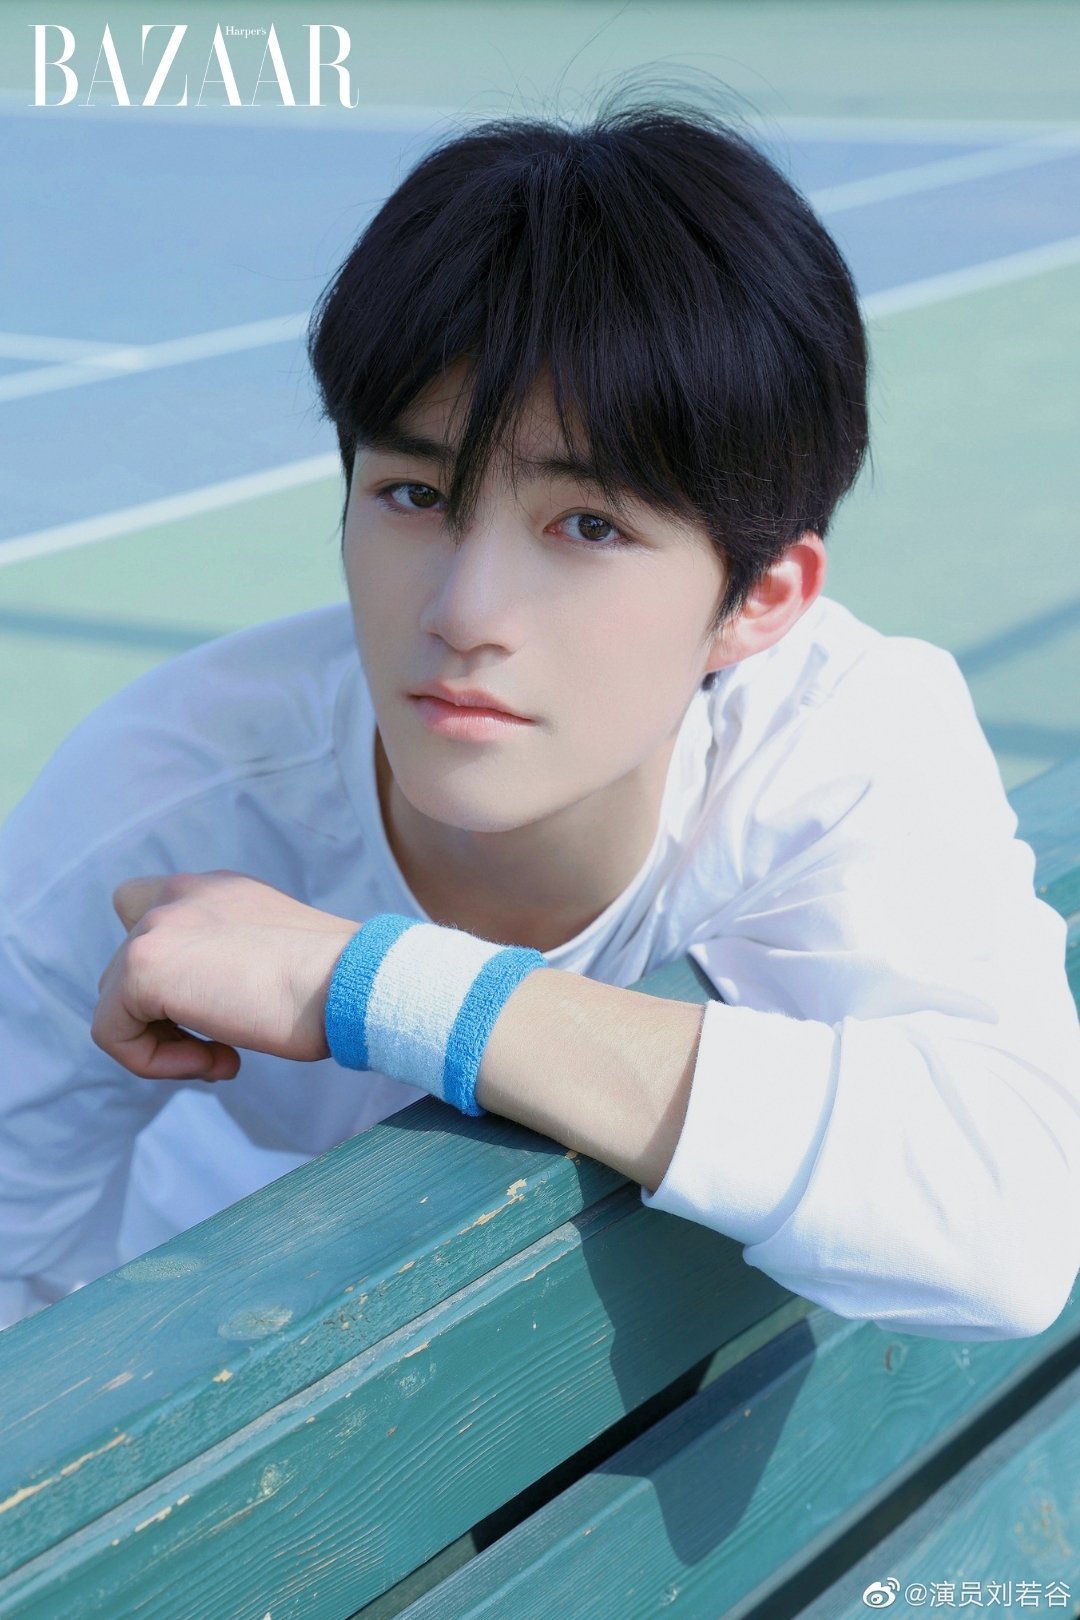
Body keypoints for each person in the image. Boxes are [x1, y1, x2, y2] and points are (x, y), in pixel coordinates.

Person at [2, 89, 1078, 1342]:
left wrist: (363, 978)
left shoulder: (832, 740)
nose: (465, 612)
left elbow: (1010, 1226)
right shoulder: (165, 799)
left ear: (762, 600)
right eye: (414, 495)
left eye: (589, 525)